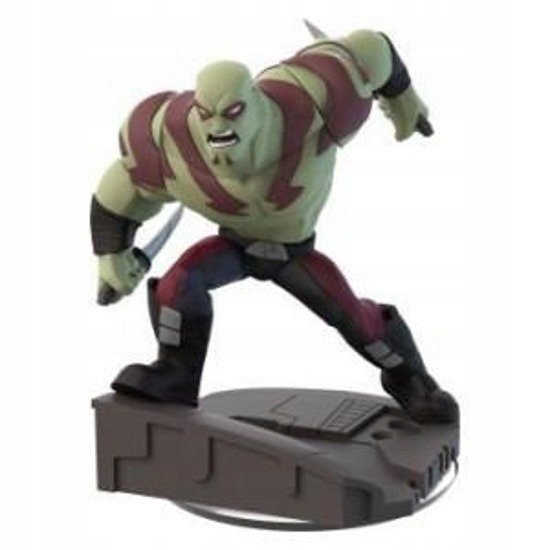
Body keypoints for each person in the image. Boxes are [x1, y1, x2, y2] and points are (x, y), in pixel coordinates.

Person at [91, 27, 458, 423]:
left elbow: (372, 50)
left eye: (232, 113)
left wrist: (403, 98)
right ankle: (176, 374)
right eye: (207, 116)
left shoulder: (313, 101)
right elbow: (119, 192)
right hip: (234, 246)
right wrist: (112, 256)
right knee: (177, 286)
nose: (218, 129)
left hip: (294, 251)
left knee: (357, 321)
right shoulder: (168, 140)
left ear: (252, 104)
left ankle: (412, 379)